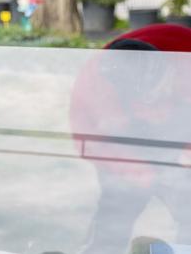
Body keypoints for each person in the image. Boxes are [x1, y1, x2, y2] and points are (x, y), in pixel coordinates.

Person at [70, 24, 191, 254]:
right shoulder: (95, 85)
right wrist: (138, 173)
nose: (165, 92)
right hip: (123, 142)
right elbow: (88, 141)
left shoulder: (185, 60)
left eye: (165, 84)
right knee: (114, 218)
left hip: (182, 133)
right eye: (154, 96)